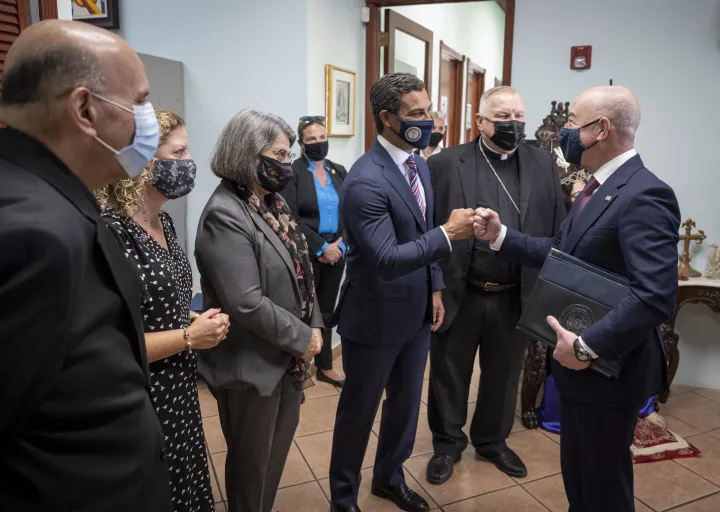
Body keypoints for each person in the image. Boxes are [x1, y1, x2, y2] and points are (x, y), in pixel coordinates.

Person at [474, 86, 680, 512]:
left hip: (607, 370)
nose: (563, 133)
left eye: (572, 124)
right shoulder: (597, 187)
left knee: (604, 489)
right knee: (581, 482)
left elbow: (654, 295)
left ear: (601, 129)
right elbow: (561, 252)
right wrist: (501, 237)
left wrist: (585, 348)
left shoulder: (644, 194)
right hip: (579, 371)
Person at [0, 20, 172, 510]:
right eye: (140, 101)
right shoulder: (33, 236)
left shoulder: (49, 195)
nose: (149, 118)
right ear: (84, 109)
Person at [328, 73, 475, 512]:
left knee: (405, 407)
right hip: (373, 318)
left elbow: (421, 231)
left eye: (428, 109)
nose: (428, 120)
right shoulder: (364, 181)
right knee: (359, 413)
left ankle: (389, 478)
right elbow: (388, 258)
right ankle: (342, 499)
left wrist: (434, 287)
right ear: (387, 118)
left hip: (415, 314)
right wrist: (450, 234)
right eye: (417, 114)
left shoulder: (419, 163)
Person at [425, 86, 566, 484]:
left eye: (518, 115)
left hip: (515, 293)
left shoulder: (542, 164)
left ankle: (491, 440)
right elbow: (429, 231)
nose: (513, 124)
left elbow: (556, 231)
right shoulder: (446, 164)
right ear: (480, 121)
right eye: (503, 117)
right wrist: (433, 285)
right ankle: (446, 444)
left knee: (503, 375)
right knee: (449, 373)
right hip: (460, 289)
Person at [96, 109, 230, 512]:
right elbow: (116, 342)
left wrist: (190, 320)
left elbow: (154, 305)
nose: (189, 162)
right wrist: (191, 337)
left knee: (186, 484)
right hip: (142, 394)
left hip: (178, 386)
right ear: (141, 161)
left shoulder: (165, 222)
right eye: (179, 151)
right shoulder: (111, 231)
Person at [195, 110, 324, 512]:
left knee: (272, 464)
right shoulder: (225, 212)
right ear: (248, 154)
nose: (287, 165)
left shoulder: (274, 203)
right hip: (251, 364)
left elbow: (303, 272)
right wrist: (304, 338)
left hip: (285, 359)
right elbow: (245, 301)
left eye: (289, 156)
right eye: (279, 155)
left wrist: (314, 326)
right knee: (252, 471)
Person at [281, 115, 348, 388]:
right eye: (311, 139)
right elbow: (290, 217)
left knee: (328, 310)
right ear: (302, 143)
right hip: (307, 252)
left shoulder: (339, 170)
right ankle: (297, 367)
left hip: (338, 250)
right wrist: (322, 247)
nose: (319, 143)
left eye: (322, 137)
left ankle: (325, 366)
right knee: (304, 309)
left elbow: (353, 212)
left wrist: (340, 246)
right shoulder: (293, 172)